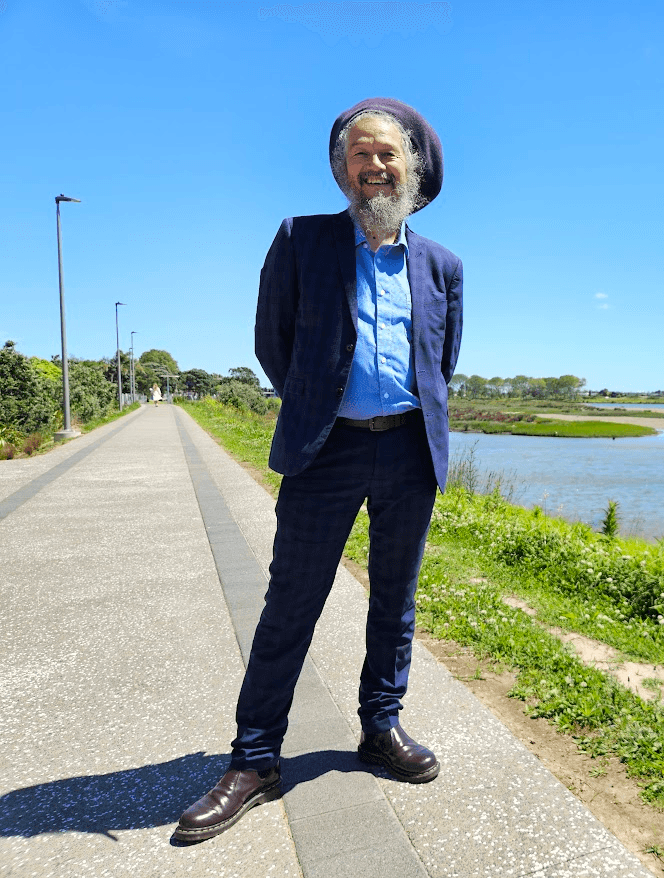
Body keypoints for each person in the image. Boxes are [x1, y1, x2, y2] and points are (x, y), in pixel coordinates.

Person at [173, 98, 462, 843]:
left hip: (408, 451)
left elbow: (442, 361)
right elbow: (274, 342)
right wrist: (319, 403)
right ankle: (256, 759)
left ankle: (380, 727)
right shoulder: (301, 239)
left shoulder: (443, 265)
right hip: (324, 449)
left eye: (386, 154)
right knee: (291, 604)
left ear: (413, 168)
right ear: (342, 171)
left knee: (394, 602)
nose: (373, 166)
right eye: (358, 155)